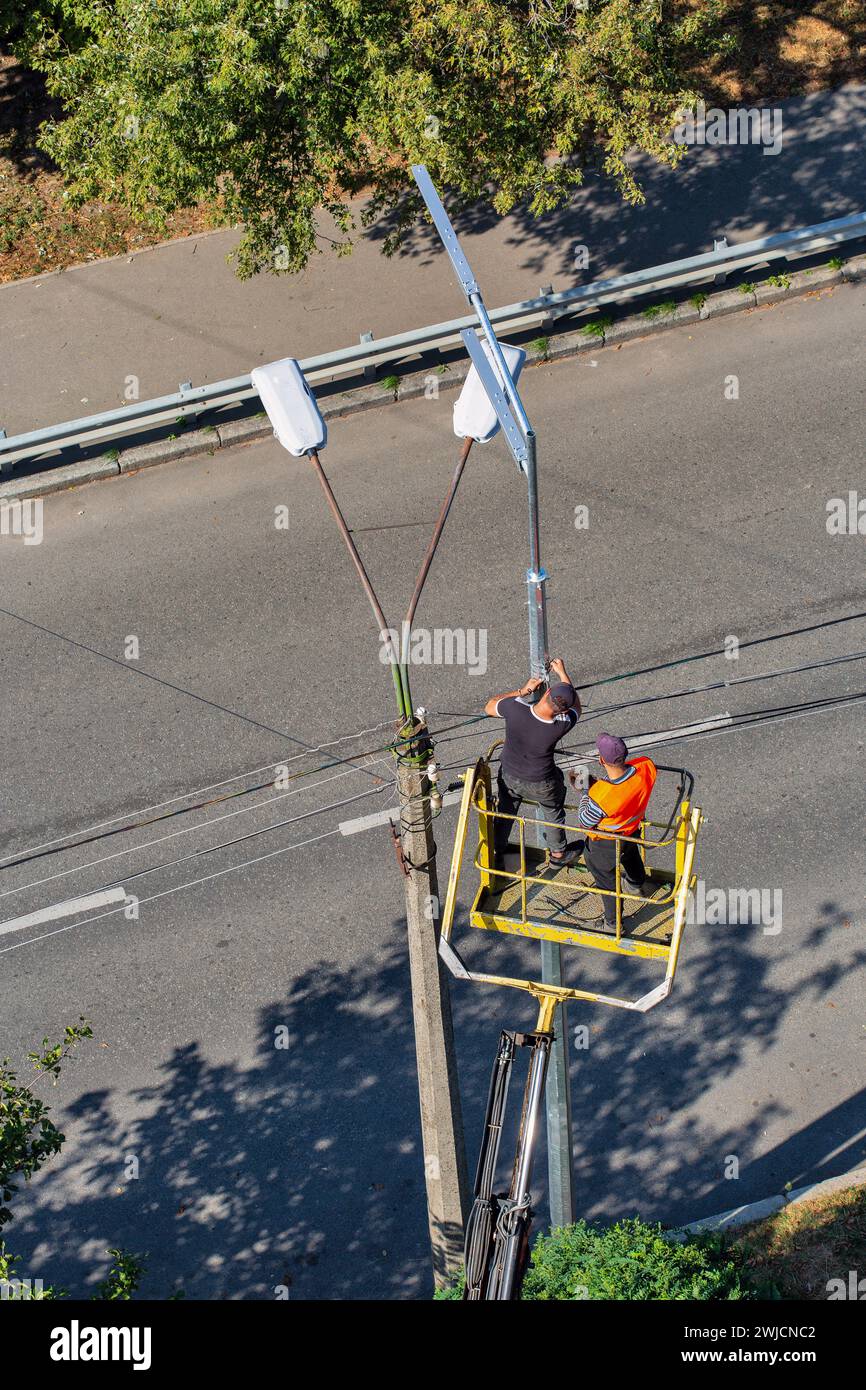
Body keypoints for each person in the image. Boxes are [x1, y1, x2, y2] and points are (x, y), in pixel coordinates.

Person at [484, 657, 581, 865]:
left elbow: (489, 706)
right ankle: (557, 854)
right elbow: (577, 708)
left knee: (506, 810)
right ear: (563, 711)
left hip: (509, 775)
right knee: (553, 811)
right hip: (541, 782)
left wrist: (523, 691)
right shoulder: (561, 724)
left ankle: (496, 849)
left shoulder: (514, 709)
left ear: (546, 692)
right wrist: (564, 674)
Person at [571, 733, 657, 926]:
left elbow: (585, 820)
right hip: (631, 830)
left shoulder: (601, 795)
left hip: (605, 844)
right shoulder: (646, 766)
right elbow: (630, 777)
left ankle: (612, 924)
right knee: (630, 854)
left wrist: (585, 791)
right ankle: (635, 884)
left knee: (605, 879)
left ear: (601, 760)